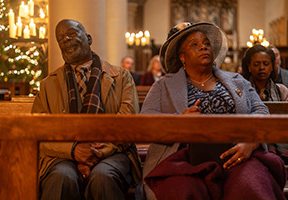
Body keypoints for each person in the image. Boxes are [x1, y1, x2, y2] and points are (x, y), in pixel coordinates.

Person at [140, 22, 286, 199]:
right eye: (195, 44)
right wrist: (178, 121)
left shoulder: (237, 81)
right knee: (182, 190)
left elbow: (260, 110)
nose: (203, 47)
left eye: (207, 43)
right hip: (184, 158)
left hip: (236, 153)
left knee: (250, 185)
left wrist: (252, 141)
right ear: (182, 57)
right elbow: (145, 123)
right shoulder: (163, 86)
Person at [31, 19, 141, 200]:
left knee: (103, 177)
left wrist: (95, 153)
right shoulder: (48, 84)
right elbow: (39, 132)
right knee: (61, 177)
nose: (66, 39)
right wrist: (73, 150)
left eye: (72, 33)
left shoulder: (121, 77)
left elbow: (128, 123)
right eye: (61, 38)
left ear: (89, 39)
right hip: (62, 155)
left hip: (114, 151)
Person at [242, 44, 288, 164]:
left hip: (278, 140)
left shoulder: (281, 90)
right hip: (251, 142)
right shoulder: (241, 90)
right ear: (249, 67)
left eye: (266, 64)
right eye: (256, 64)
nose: (261, 68)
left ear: (272, 66)